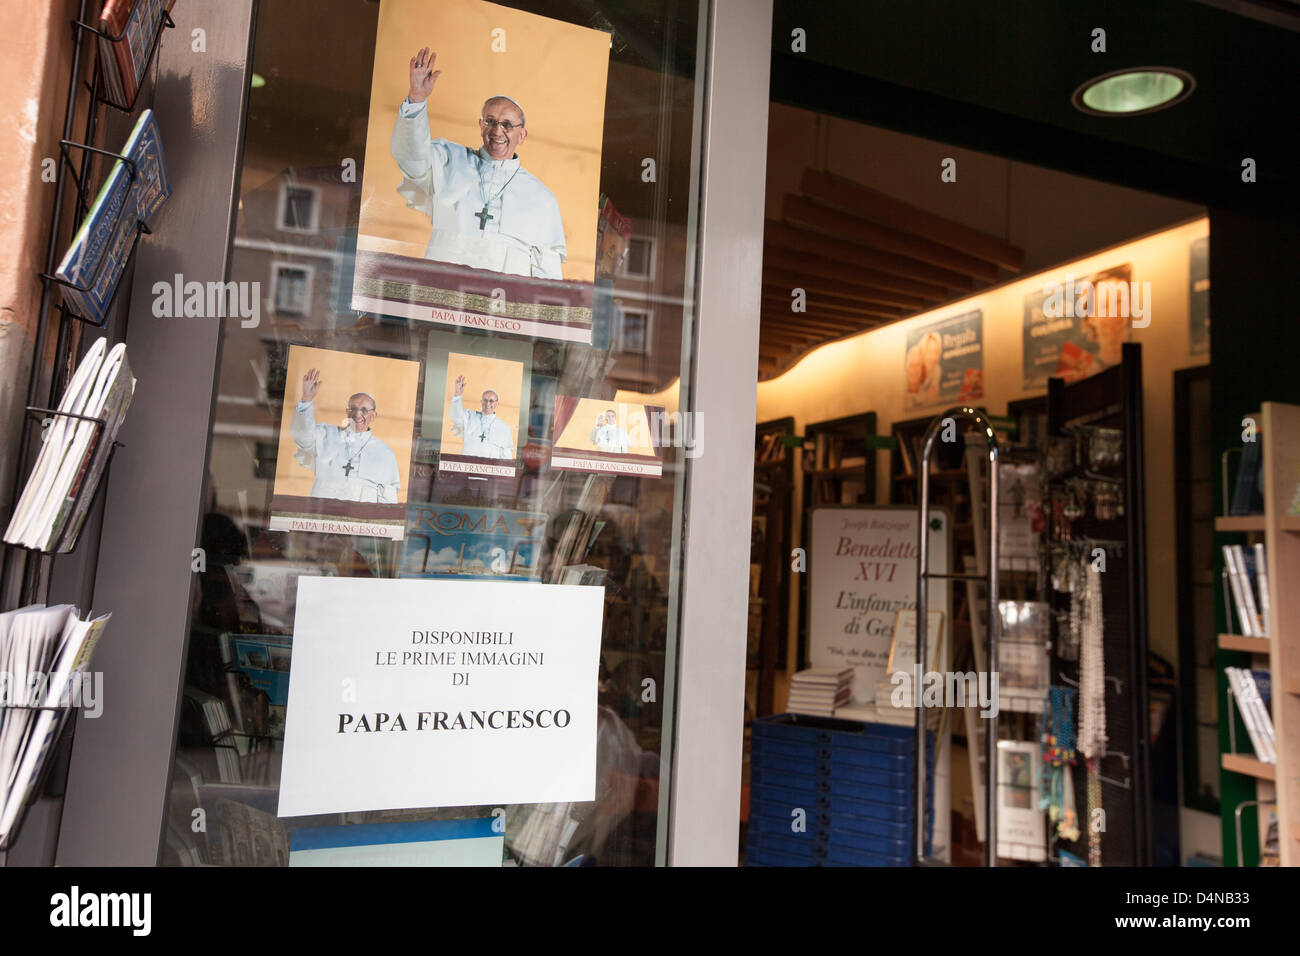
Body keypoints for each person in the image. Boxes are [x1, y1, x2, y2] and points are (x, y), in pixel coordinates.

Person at [390, 47, 566, 279]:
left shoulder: (542, 198)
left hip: (505, 297)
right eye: (490, 121)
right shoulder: (449, 160)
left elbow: (548, 272)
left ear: (522, 135)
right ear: (480, 125)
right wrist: (417, 99)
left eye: (507, 125)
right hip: (443, 287)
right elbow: (411, 156)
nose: (497, 131)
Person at [289, 368, 401, 502]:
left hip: (361, 513)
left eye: (364, 410)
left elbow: (388, 498)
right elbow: (302, 436)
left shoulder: (385, 453)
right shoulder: (326, 434)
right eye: (353, 408)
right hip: (322, 509)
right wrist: (307, 399)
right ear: (347, 412)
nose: (357, 414)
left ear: (373, 416)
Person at [448, 374, 515, 459]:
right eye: (485, 400)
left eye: (491, 401)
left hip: (490, 466)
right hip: (467, 464)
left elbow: (506, 455)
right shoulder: (469, 416)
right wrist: (457, 395)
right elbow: (456, 416)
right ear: (481, 402)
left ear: (497, 404)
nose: (487, 404)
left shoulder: (504, 427)